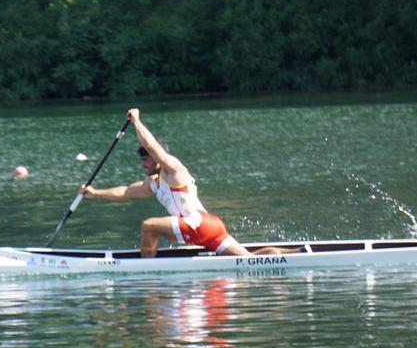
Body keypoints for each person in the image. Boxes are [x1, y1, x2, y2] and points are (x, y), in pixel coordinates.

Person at [81, 108, 296, 258]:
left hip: (198, 224)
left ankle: (146, 273)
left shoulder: (173, 169)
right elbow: (126, 192)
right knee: (250, 259)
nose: (143, 163)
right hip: (210, 226)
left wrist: (136, 120)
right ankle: (295, 255)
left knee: (148, 226)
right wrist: (94, 193)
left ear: (156, 157)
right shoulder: (153, 182)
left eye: (145, 159)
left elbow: (149, 143)